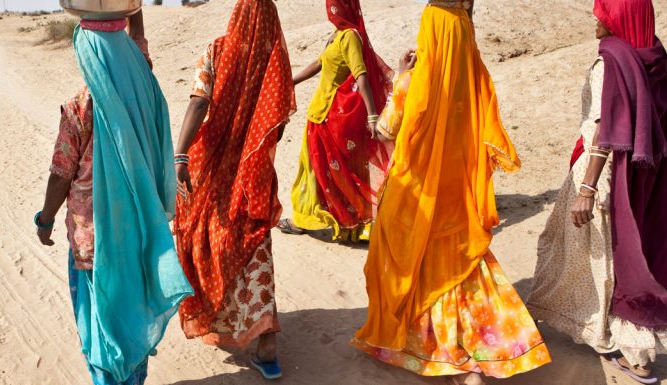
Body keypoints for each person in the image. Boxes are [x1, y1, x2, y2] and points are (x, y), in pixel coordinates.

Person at [351, 2, 551, 385]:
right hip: (458, 195)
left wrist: (401, 78)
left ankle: (441, 355)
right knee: (459, 265)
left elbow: (387, 131)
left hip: (415, 198)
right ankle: (479, 349)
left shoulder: (415, 81)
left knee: (412, 266)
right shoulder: (474, 80)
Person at [526, 0, 667, 383]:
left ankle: (618, 345)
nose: (595, 18)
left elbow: (604, 129)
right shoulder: (654, 55)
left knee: (588, 255)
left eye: (602, 11)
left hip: (604, 174)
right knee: (633, 256)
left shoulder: (611, 63)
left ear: (618, 17)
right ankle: (634, 347)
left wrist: (587, 188)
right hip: (648, 175)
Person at [35, 10, 193, 385]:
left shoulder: (80, 106)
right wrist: (131, 10)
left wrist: (45, 219)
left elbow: (60, 175)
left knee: (102, 327)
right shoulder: (143, 79)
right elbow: (136, 41)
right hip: (139, 227)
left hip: (95, 243)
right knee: (130, 317)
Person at [172, 0, 295, 380]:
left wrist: (180, 154)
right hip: (254, 169)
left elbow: (198, 103)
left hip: (213, 163)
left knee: (211, 235)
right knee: (254, 244)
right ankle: (266, 341)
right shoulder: (275, 58)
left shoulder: (217, 49)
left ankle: (219, 314)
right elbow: (278, 120)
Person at [278, 0, 393, 243]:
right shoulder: (337, 34)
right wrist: (290, 81)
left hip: (330, 117)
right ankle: (313, 219)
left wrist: (373, 116)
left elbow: (360, 75)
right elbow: (319, 63)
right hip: (319, 112)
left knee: (330, 171)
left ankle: (347, 223)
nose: (331, 11)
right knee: (313, 170)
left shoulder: (350, 36)